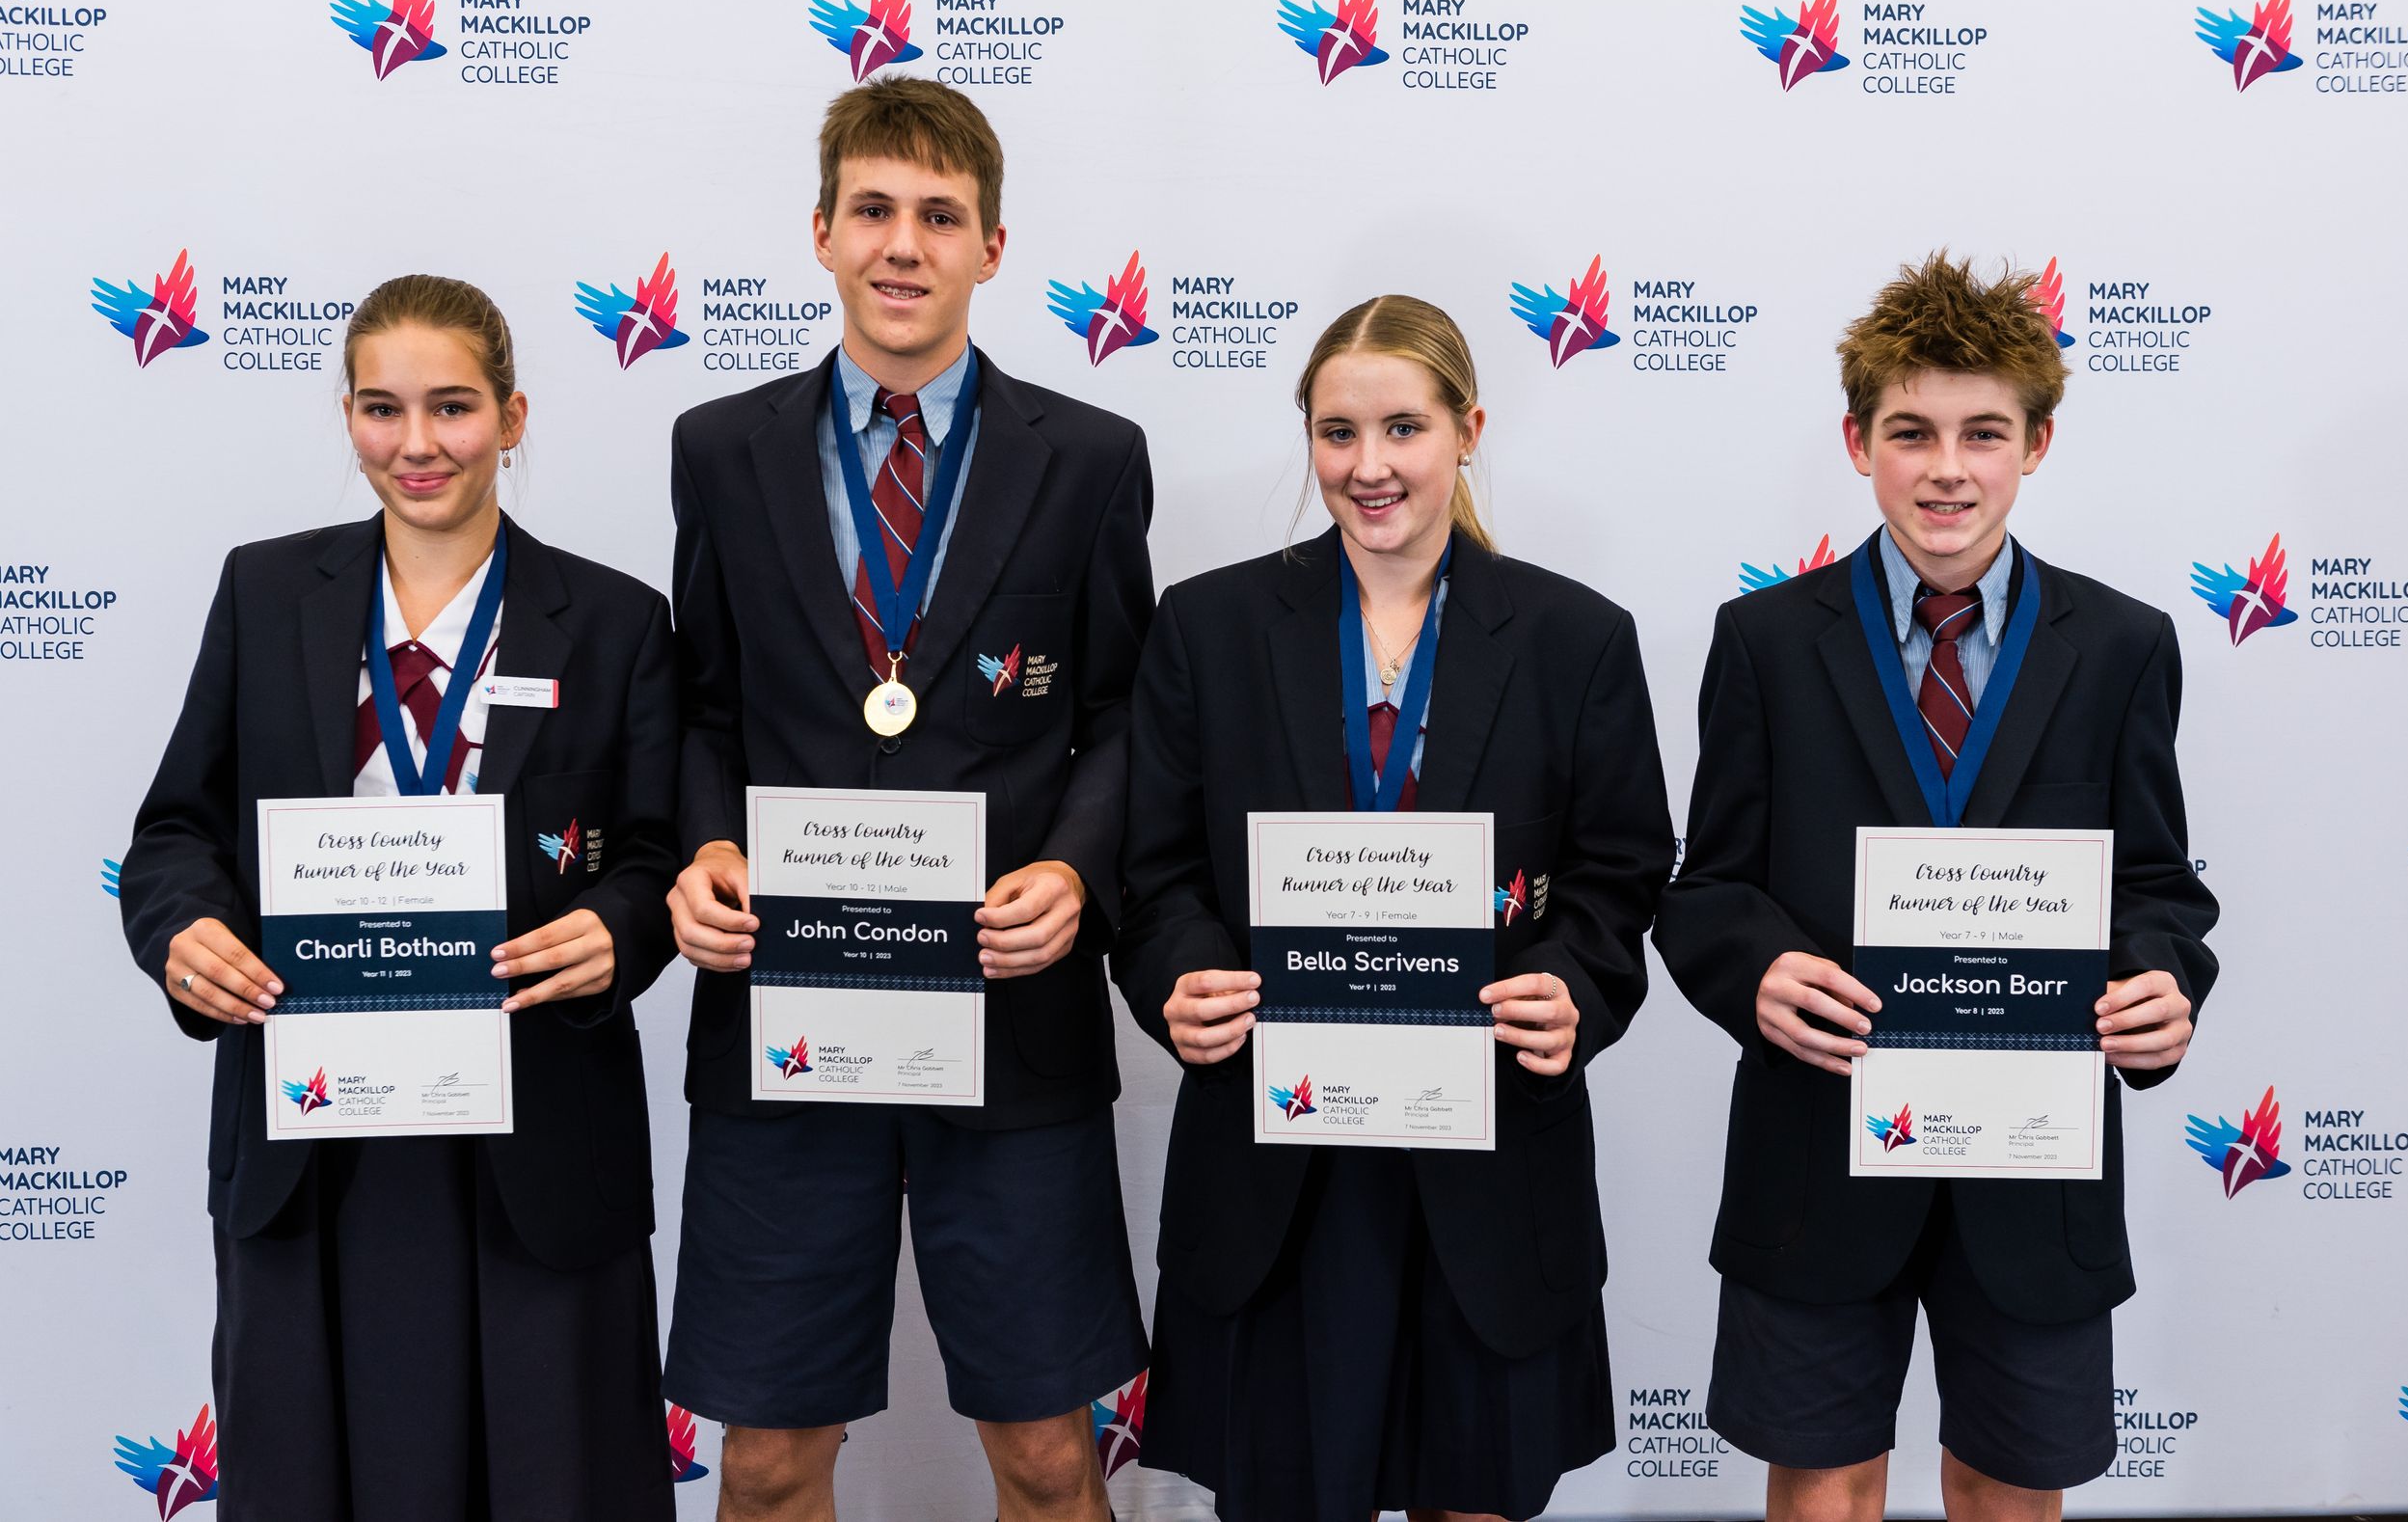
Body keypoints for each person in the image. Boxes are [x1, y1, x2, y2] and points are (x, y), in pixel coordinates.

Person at [1654, 252, 2219, 1522]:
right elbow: (1707, 886)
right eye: (1911, 432)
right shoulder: (1765, 643)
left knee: (2009, 1487)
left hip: (2036, 1164)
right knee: (1825, 1483)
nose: (1946, 468)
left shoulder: (2122, 645)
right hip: (1820, 1145)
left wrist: (2157, 981)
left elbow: (2158, 884)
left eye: (1983, 434)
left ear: (2037, 445)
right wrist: (1755, 969)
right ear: (1858, 443)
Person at [660, 74, 1154, 1522]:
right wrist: (704, 845)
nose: (902, 244)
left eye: (940, 216)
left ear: (992, 248)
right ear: (820, 231)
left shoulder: (1091, 459)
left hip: (1010, 1015)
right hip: (786, 1017)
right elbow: (701, 705)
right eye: (872, 209)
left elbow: (1128, 714)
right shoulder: (719, 449)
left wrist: (1076, 872)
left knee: (1050, 1459)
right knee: (765, 1466)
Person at [117, 274, 685, 1521]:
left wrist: (620, 928)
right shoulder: (265, 594)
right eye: (381, 409)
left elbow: (656, 855)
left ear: (513, 417)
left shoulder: (616, 620)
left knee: (556, 1482)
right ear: (349, 417)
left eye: (452, 407)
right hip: (313, 1133)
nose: (416, 443)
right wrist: (184, 930)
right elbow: (174, 833)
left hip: (537, 1133)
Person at [1114, 295, 1675, 1522]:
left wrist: (1571, 986)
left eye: (1403, 428)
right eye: (1337, 433)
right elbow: (1152, 873)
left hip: (1489, 1159)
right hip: (1276, 1161)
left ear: (1467, 430)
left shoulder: (1575, 638)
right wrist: (1181, 978)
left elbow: (1622, 872)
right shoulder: (1207, 627)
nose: (1368, 466)